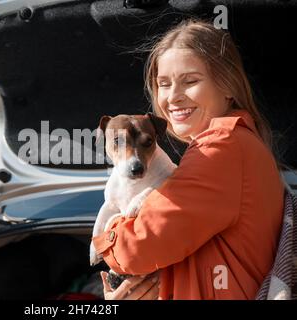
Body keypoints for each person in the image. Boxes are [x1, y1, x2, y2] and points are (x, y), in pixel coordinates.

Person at [92, 19, 285, 300]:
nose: (173, 97)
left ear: (228, 86)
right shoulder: (238, 143)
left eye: (191, 81)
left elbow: (135, 249)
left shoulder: (221, 148)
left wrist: (108, 231)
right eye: (164, 84)